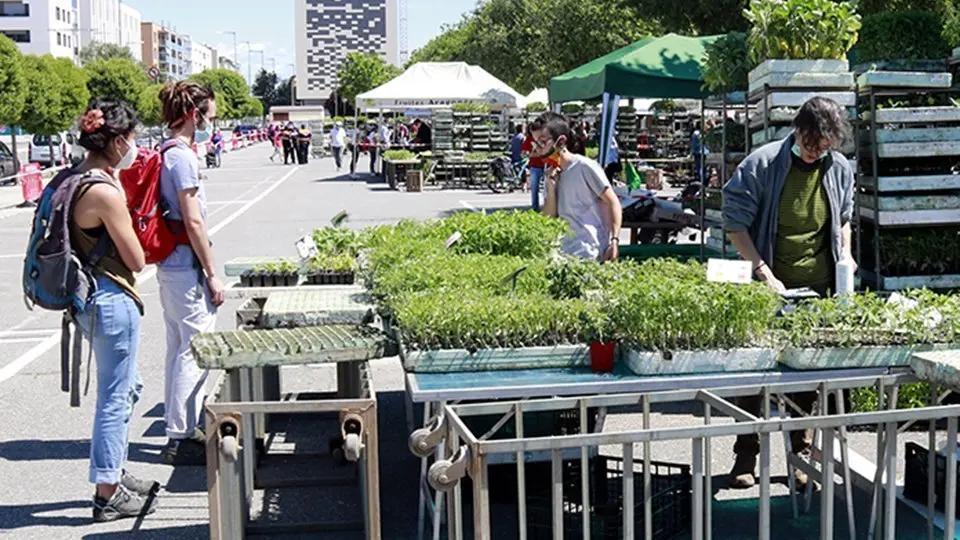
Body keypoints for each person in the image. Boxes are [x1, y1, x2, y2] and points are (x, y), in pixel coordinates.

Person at [721, 97, 856, 489]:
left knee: (804, 378)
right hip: (768, 285)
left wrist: (845, 254)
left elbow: (843, 217)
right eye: (813, 144)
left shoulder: (838, 168)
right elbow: (735, 223)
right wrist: (763, 272)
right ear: (798, 130)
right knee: (755, 374)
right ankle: (745, 456)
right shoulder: (762, 164)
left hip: (816, 289)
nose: (818, 153)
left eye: (826, 146)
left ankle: (800, 458)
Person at [72, 100, 158, 521]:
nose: (135, 147)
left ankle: (115, 472)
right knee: (115, 395)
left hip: (86, 299)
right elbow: (137, 258)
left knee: (129, 386)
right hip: (110, 298)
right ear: (118, 141)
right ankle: (108, 492)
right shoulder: (104, 191)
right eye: (133, 139)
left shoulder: (73, 178)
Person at [156, 81, 225, 466]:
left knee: (178, 347)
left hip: (171, 264)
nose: (210, 124)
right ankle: (181, 436)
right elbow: (193, 220)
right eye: (208, 116)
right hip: (186, 263)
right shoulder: (182, 158)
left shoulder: (165, 152)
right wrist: (212, 273)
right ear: (193, 114)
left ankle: (178, 427)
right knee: (194, 348)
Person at [532, 112, 622, 261]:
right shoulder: (550, 173)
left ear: (561, 142)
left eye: (542, 142)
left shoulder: (585, 166)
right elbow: (549, 218)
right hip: (563, 253)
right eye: (535, 143)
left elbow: (613, 202)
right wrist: (551, 188)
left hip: (591, 252)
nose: (538, 149)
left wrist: (615, 240)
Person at [521, 126, 546, 211]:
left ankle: (548, 207)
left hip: (545, 165)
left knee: (548, 188)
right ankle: (535, 208)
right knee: (534, 188)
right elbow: (523, 153)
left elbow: (545, 152)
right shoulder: (529, 139)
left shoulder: (544, 138)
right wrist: (528, 154)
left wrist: (534, 154)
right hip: (534, 166)